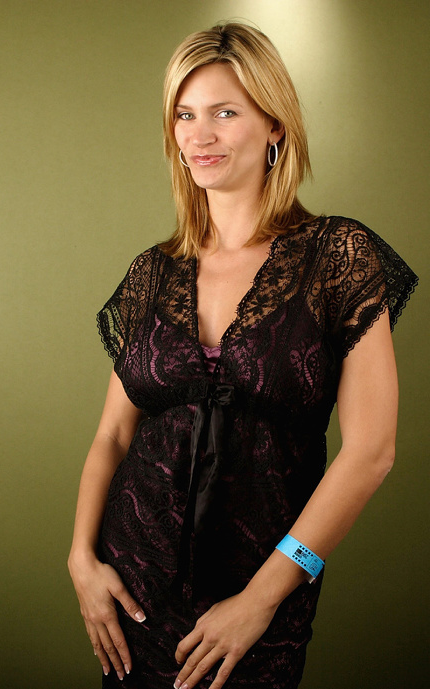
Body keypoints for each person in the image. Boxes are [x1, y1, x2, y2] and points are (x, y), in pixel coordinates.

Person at [68, 22, 417, 689]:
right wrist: (81, 559)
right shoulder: (153, 272)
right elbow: (113, 433)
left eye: (224, 112)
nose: (199, 135)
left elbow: (372, 452)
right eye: (184, 114)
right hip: (133, 592)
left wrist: (261, 600)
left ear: (275, 124)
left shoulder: (337, 257)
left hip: (259, 600)